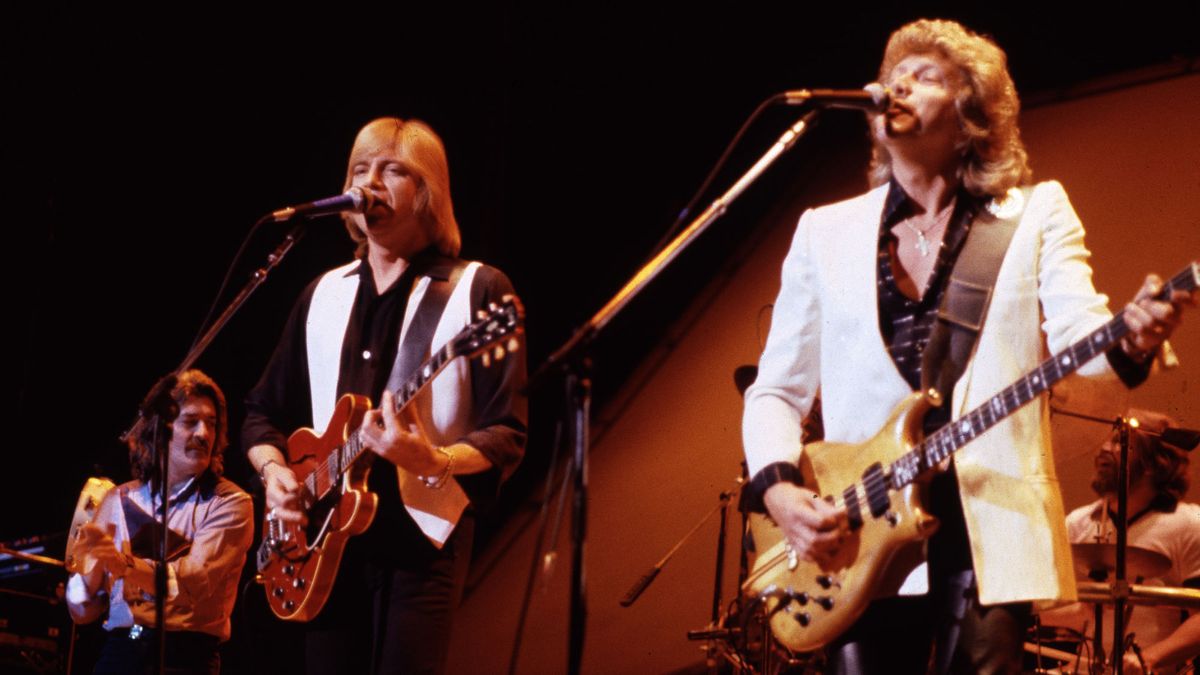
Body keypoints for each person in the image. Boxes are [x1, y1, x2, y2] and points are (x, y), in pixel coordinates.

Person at [740, 18, 1196, 674]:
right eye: (892, 75)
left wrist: (1136, 335)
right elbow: (776, 389)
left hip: (988, 538)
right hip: (859, 537)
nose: (897, 86)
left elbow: (1084, 344)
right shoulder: (825, 231)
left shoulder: (1035, 212)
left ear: (971, 116)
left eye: (924, 77)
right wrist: (780, 492)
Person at [243, 117, 527, 674]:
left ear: (428, 194)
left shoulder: (478, 289)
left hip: (424, 541)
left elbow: (508, 432)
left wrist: (431, 459)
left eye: (393, 170)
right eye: (360, 170)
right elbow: (261, 413)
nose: (370, 182)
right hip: (325, 540)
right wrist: (275, 474)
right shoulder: (321, 293)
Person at [66, 369, 254, 675]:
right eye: (191, 421)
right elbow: (81, 612)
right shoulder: (117, 499)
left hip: (186, 660)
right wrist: (88, 579)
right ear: (159, 429)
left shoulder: (230, 503)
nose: (205, 434)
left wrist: (124, 565)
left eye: (212, 423)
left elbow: (194, 581)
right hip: (120, 652)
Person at [1049, 409, 1200, 674]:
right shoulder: (1078, 522)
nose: (1104, 449)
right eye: (1106, 440)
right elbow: (1066, 612)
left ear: (1157, 462)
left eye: (1120, 441)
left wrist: (1149, 659)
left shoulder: (1189, 524)